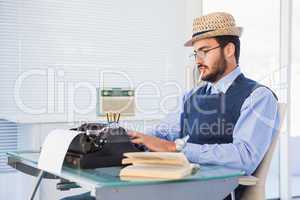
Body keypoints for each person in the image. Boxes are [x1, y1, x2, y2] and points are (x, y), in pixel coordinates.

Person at [61, 12, 279, 200]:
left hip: (213, 193)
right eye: (196, 53)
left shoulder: (257, 97)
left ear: (229, 50)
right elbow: (164, 132)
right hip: (178, 187)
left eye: (204, 50)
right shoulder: (193, 96)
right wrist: (128, 138)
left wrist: (177, 148)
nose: (198, 60)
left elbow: (245, 156)